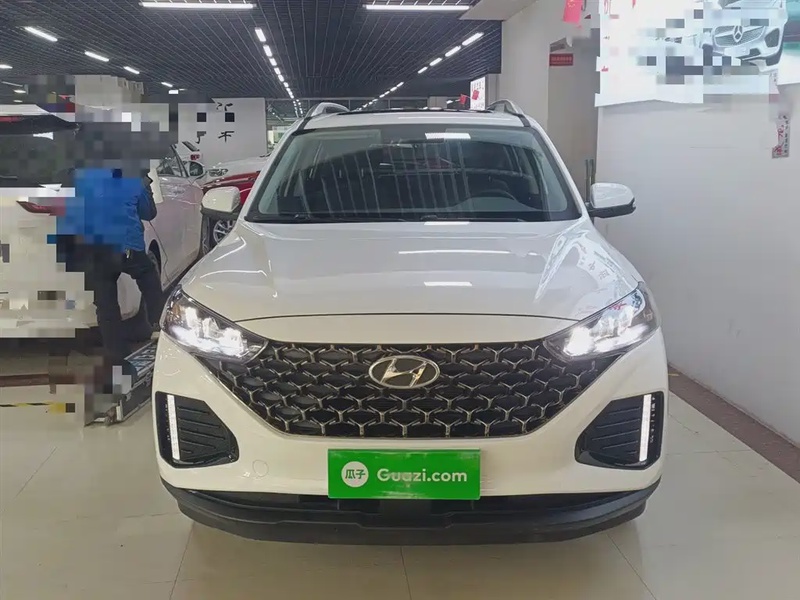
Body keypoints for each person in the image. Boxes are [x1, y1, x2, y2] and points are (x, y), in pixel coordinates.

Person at [53, 141, 163, 389]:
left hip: (93, 249)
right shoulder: (132, 177)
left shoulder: (77, 177)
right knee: (148, 277)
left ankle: (117, 355)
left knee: (105, 305)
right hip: (127, 247)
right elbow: (149, 213)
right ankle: (159, 324)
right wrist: (146, 185)